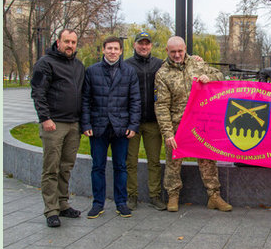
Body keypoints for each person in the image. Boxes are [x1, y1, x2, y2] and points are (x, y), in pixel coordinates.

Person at [154, 36, 232, 213]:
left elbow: (220, 76)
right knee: (173, 160)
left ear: (185, 49)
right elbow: (161, 106)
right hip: (177, 124)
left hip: (201, 123)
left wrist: (208, 77)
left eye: (180, 51)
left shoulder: (197, 64)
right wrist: (168, 134)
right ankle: (173, 195)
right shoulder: (162, 74)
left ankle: (214, 196)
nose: (177, 55)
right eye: (173, 52)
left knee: (208, 159)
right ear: (167, 51)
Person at [81, 36, 141, 219]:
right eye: (109, 48)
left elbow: (135, 101)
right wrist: (86, 123)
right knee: (97, 166)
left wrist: (133, 125)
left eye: (116, 48)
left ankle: (121, 203)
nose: (112, 52)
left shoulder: (129, 72)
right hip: (98, 127)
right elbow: (85, 100)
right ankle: (97, 203)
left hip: (121, 127)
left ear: (121, 51)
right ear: (103, 50)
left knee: (121, 166)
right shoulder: (92, 71)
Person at [30, 29, 85, 228]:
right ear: (58, 42)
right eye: (66, 41)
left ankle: (63, 203)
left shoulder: (78, 65)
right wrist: (45, 118)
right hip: (54, 124)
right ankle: (51, 210)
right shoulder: (45, 63)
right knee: (51, 168)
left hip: (73, 124)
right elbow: (38, 92)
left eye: (73, 42)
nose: (70, 45)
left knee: (66, 167)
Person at [124, 32, 167, 211]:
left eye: (147, 44)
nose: (144, 46)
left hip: (153, 121)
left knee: (154, 161)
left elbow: (179, 63)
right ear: (134, 45)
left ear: (151, 46)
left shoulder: (159, 64)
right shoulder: (126, 65)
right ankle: (131, 196)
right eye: (140, 43)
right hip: (132, 122)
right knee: (130, 161)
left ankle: (154, 196)